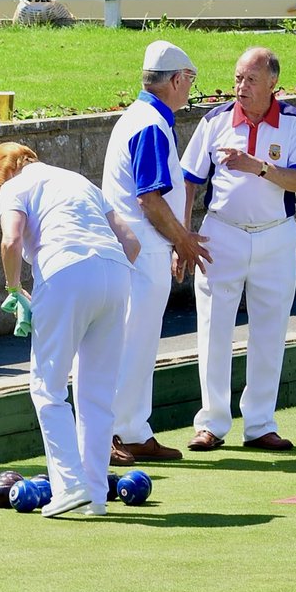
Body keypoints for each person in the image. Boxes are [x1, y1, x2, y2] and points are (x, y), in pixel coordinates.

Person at [0, 142, 140, 516]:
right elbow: (131, 240)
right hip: (115, 271)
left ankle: (69, 484)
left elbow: (11, 240)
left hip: (64, 270)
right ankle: (97, 495)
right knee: (97, 392)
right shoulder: (77, 180)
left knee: (47, 387)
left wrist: (13, 288)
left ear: (2, 174)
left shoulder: (13, 187)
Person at [179, 47, 296, 453]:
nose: (241, 86)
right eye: (238, 78)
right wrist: (182, 236)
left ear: (273, 82)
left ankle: (259, 424)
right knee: (213, 330)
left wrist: (258, 167)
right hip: (222, 234)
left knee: (271, 331)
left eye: (251, 80)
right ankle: (212, 424)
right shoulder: (214, 121)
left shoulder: (295, 123)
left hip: (275, 236)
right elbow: (189, 181)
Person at [103, 40, 212, 465]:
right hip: (140, 246)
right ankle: (112, 432)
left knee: (140, 341)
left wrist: (178, 239)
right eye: (190, 81)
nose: (190, 88)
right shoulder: (150, 123)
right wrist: (184, 240)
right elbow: (150, 199)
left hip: (140, 245)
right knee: (131, 342)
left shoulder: (144, 118)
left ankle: (131, 430)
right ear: (177, 80)